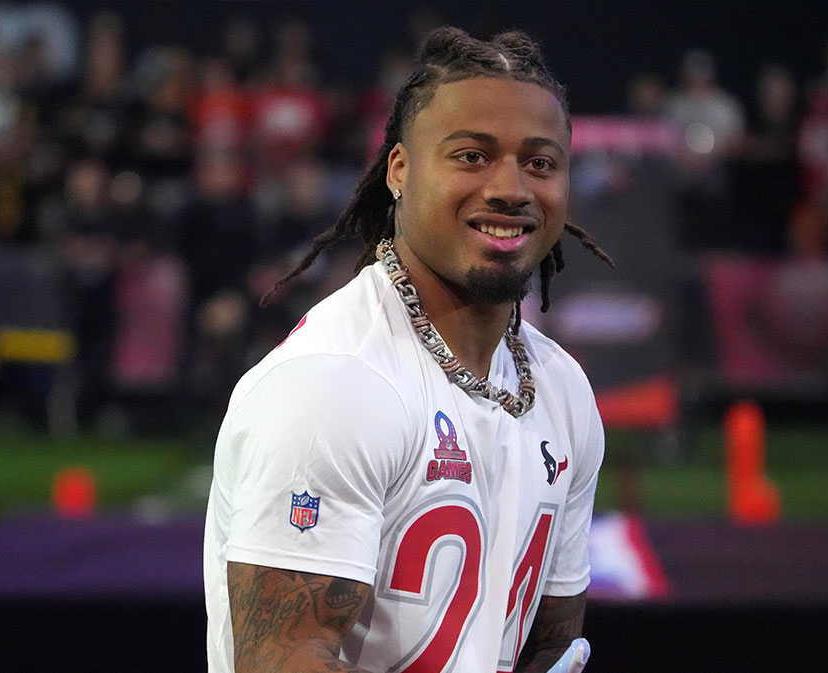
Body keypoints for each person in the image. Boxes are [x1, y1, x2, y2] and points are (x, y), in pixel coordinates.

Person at [203, 27, 611, 673]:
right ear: (399, 169)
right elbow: (281, 659)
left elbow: (549, 647)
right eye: (472, 156)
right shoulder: (335, 383)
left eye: (540, 162)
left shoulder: (562, 391)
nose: (512, 187)